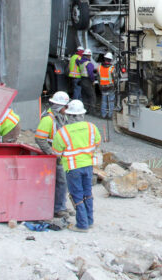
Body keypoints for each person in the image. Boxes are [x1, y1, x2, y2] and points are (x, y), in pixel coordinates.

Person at [52, 99, 102, 232]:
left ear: (69, 115)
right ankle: (89, 220)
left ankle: (82, 224)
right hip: (88, 165)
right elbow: (97, 143)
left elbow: (56, 152)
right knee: (88, 193)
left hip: (72, 167)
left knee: (76, 195)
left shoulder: (63, 132)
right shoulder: (92, 127)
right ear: (82, 114)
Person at [35, 90, 72, 218]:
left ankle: (61, 205)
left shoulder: (61, 117)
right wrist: (51, 153)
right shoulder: (48, 119)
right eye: (65, 106)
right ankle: (58, 208)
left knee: (62, 183)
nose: (67, 108)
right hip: (54, 156)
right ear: (59, 106)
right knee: (61, 183)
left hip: (61, 156)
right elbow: (40, 138)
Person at [99, 52, 117, 119]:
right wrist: (115, 86)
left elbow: (98, 78)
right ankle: (110, 115)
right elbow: (115, 79)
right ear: (110, 60)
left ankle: (103, 115)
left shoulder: (99, 67)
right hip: (110, 87)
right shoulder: (112, 69)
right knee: (111, 101)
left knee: (103, 101)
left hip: (103, 87)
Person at [79, 49, 97, 114]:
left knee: (84, 96)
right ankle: (92, 111)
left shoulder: (81, 62)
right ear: (89, 56)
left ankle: (85, 109)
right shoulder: (88, 64)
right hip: (88, 81)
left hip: (82, 80)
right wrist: (93, 80)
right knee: (92, 96)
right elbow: (90, 74)